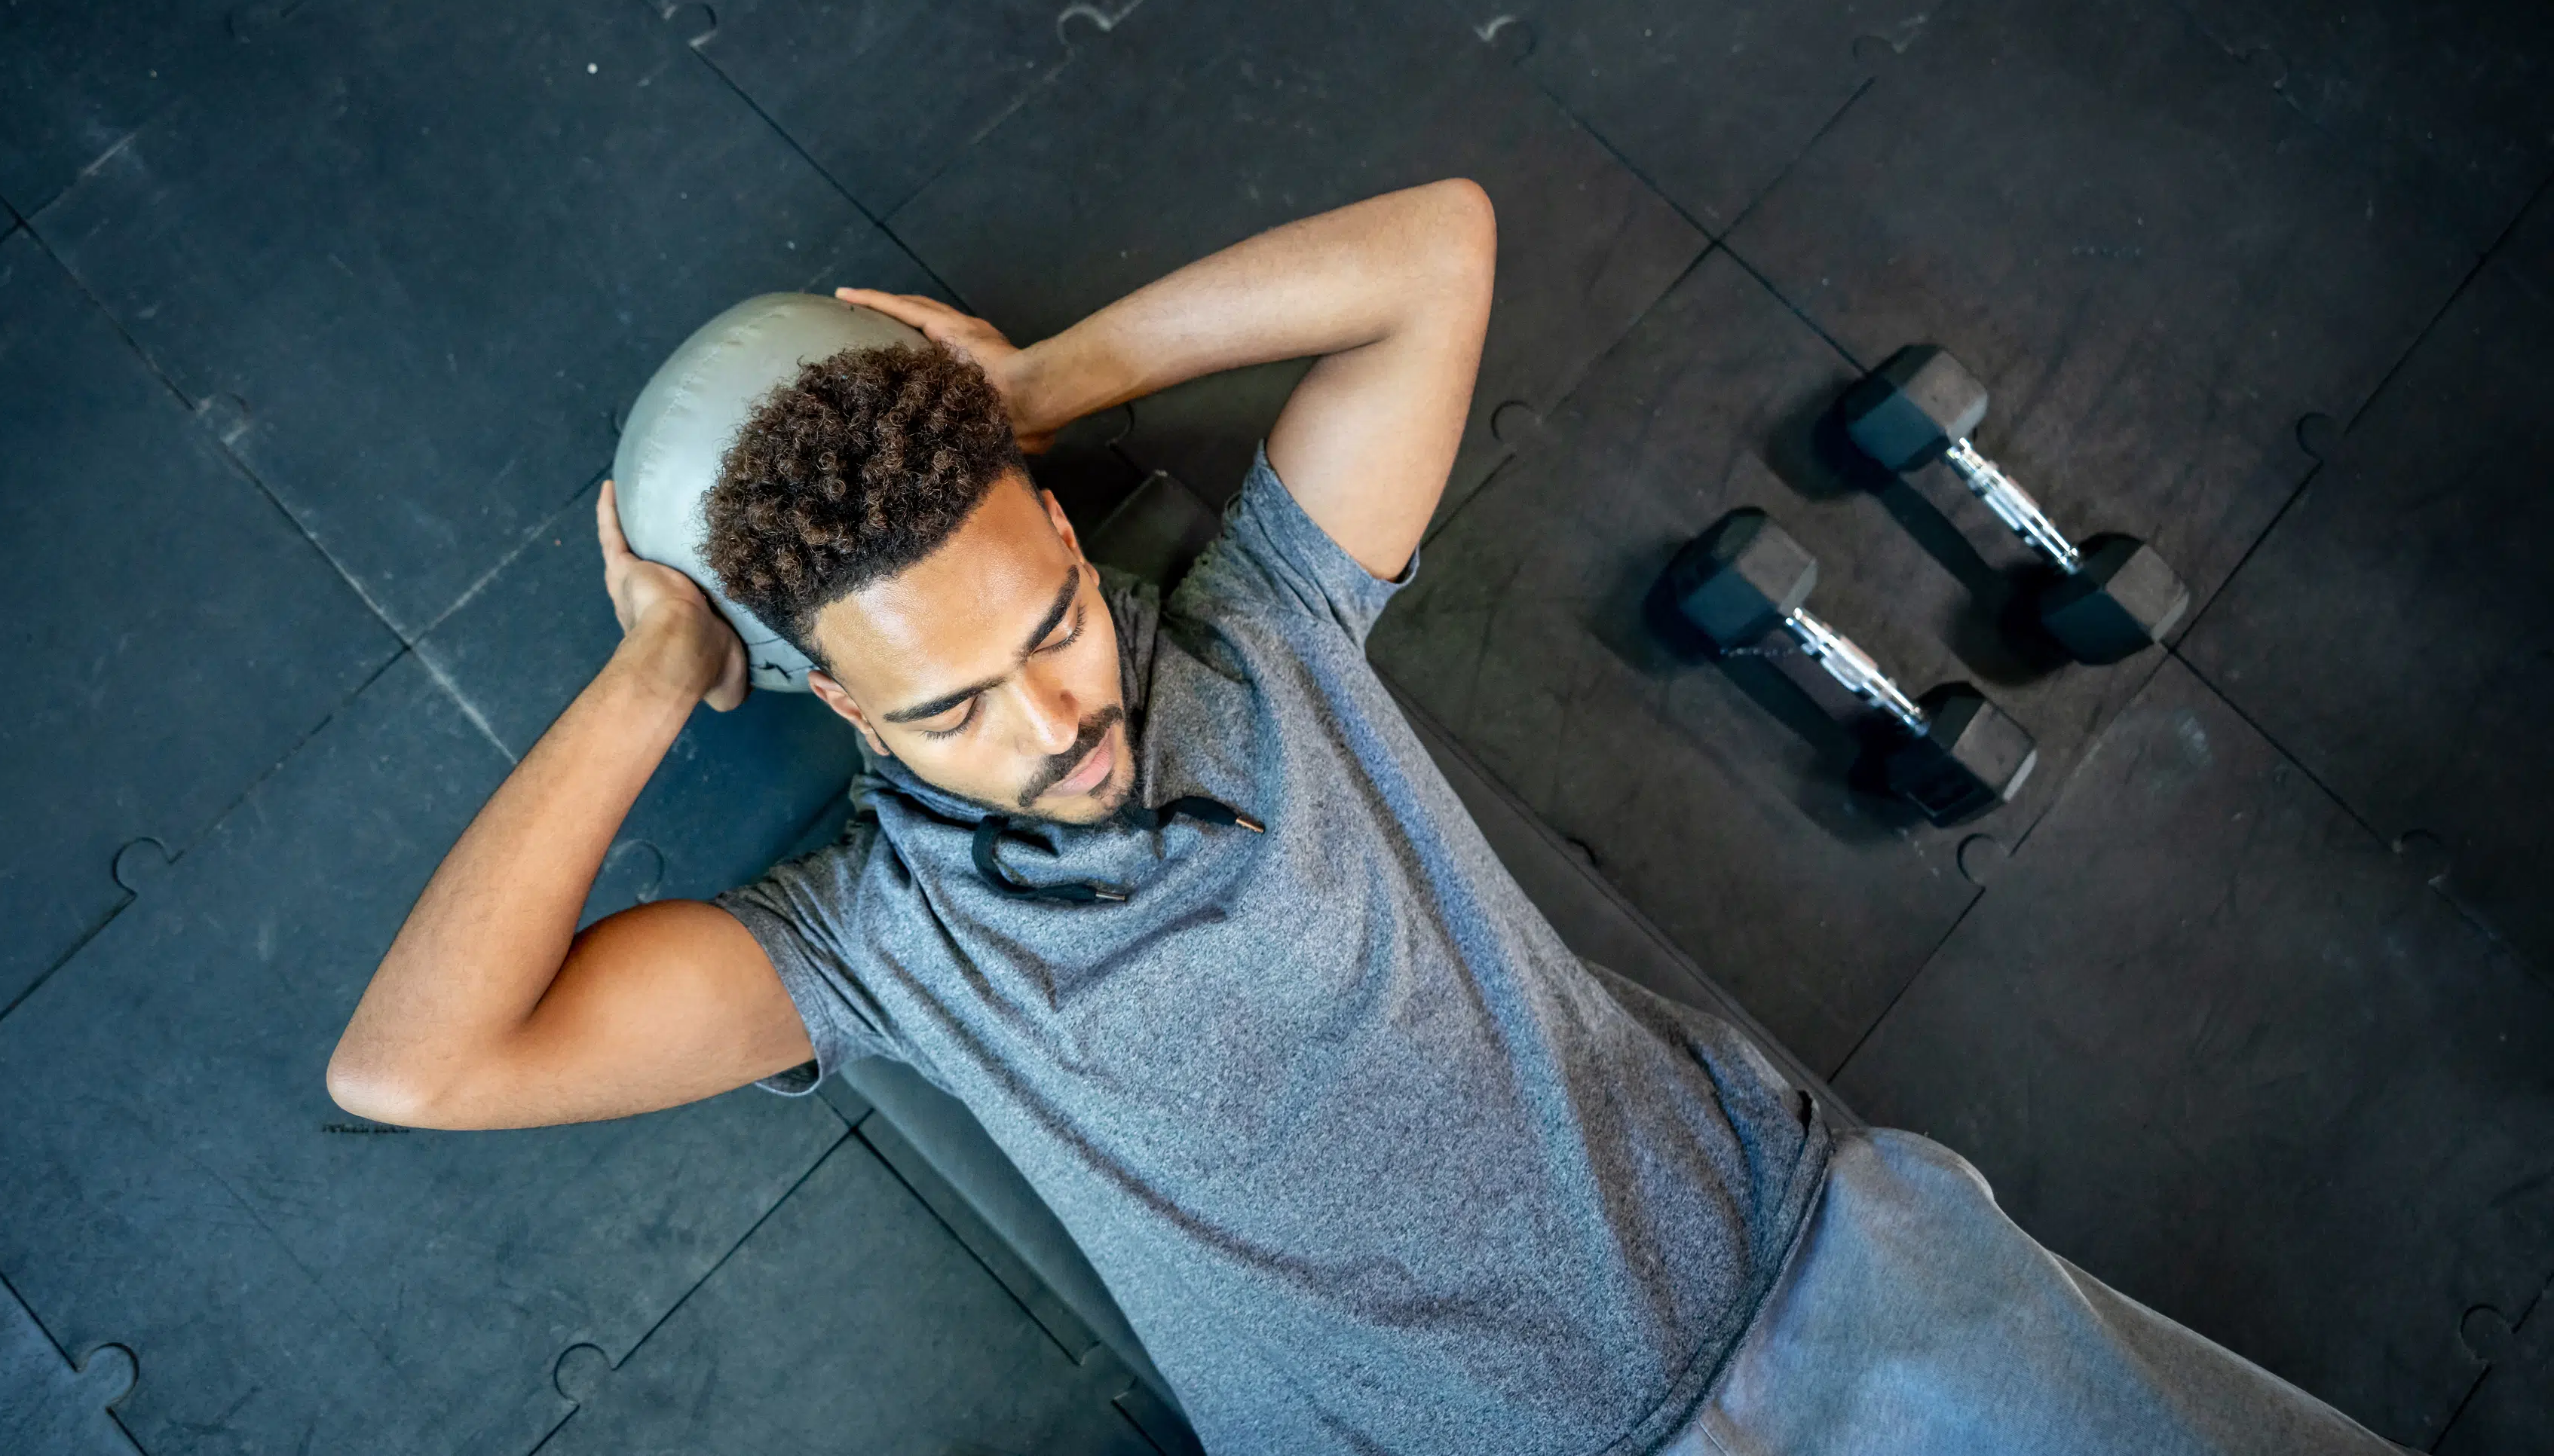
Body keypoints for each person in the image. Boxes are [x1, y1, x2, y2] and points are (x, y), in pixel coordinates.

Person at [326, 182, 2400, 1455]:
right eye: (947, 705)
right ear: (836, 709)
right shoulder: (872, 950)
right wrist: (654, 674)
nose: (1052, 714)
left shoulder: (1271, 631)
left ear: (1059, 524)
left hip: (1844, 1286)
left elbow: (1437, 250)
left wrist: (1034, 382)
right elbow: (415, 1068)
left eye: (1045, 622)